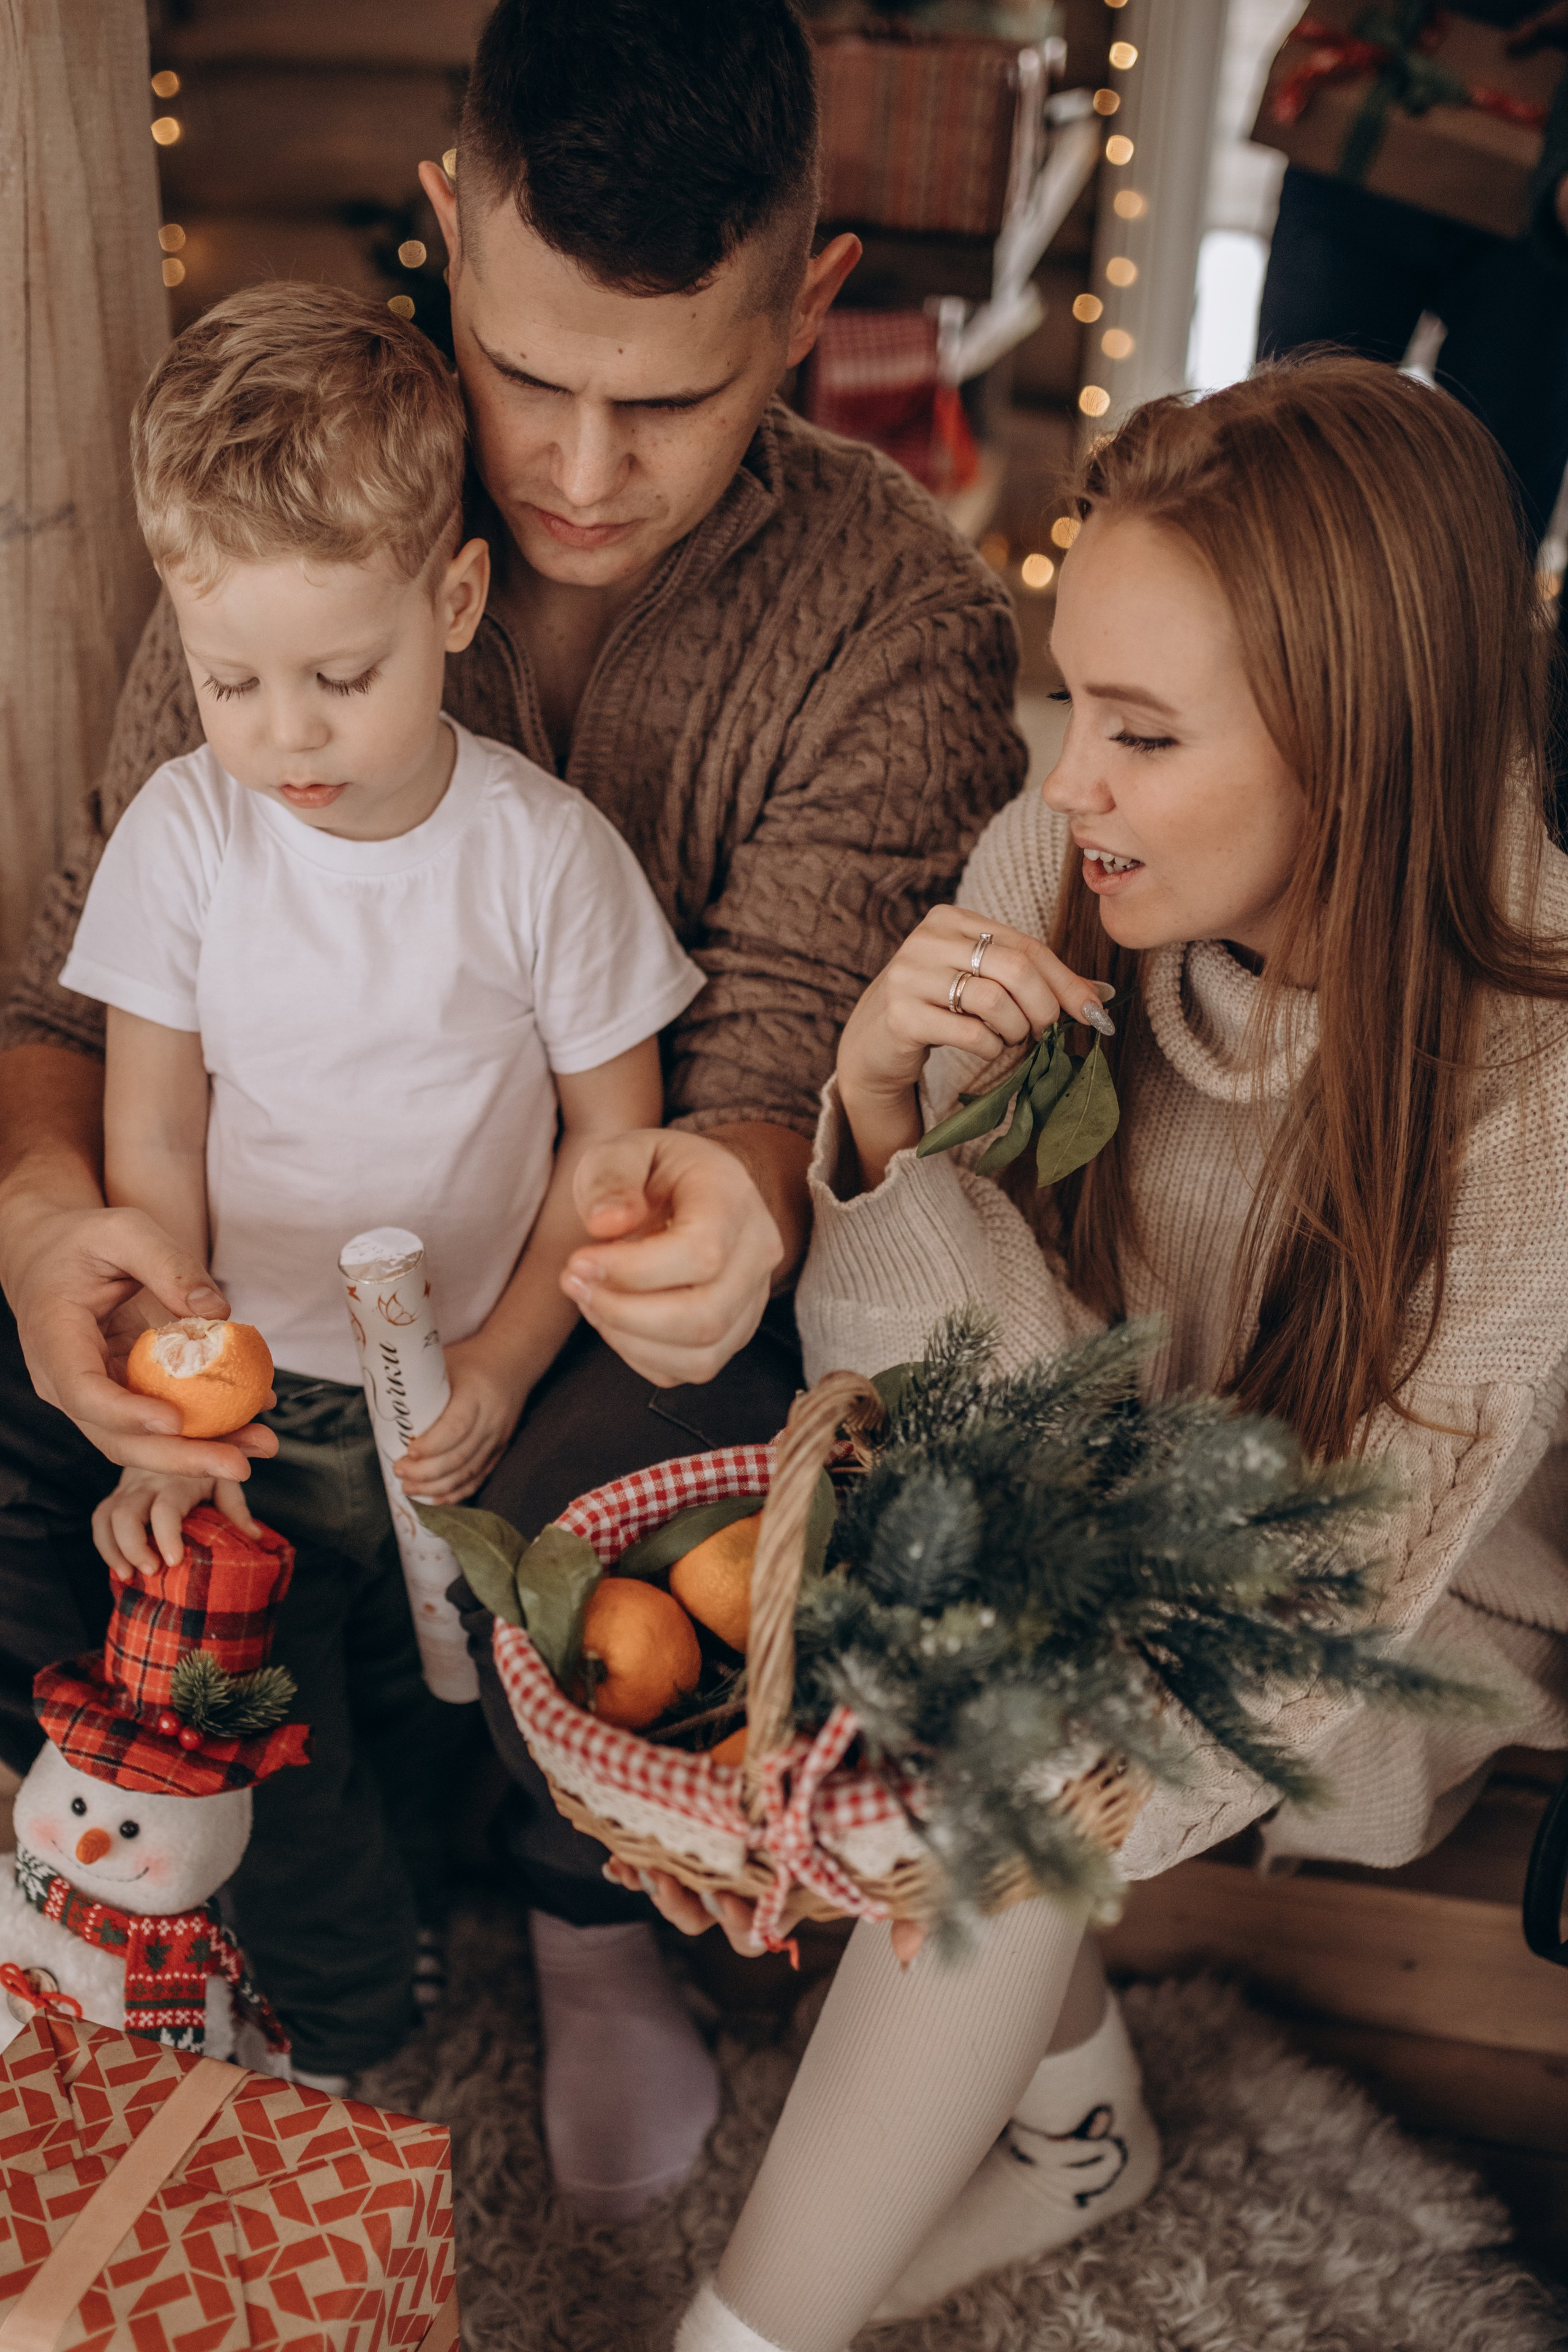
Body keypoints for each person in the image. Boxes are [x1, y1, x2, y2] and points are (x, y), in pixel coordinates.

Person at [0, 0, 1035, 2214]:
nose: (573, 465)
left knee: (656, 1461)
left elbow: (756, 1075)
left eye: (667, 398)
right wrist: (49, 1225)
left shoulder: (899, 624)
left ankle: (592, 1925)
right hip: (259, 1283)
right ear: (448, 230)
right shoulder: (292, 528)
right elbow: (81, 1002)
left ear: (813, 305)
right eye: (527, 370)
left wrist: (719, 1203)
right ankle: (167, 1872)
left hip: (573, 1289)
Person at [638, 355, 1568, 2351]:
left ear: (1364, 754)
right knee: (899, 1569)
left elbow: (1306, 1617)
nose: (1070, 780)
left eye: (1143, 730)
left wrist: (916, 1772)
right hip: (1098, 1486)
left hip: (1381, 1627)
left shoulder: (1542, 1070)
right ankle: (1074, 2130)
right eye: (1076, 697)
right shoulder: (1066, 862)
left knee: (1002, 1739)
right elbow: (932, 1406)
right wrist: (881, 1128)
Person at [56, 280, 706, 2082]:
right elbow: (159, 1133)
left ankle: (459, 1915)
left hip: (473, 1383)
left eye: (341, 676)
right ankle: (343, 2012)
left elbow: (613, 1143)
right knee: (276, 1709)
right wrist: (170, 1409)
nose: (284, 736)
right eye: (227, 679)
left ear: (456, 604)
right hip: (251, 1396)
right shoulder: (187, 837)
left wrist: (502, 1365)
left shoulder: (541, 861)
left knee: (453, 1692)